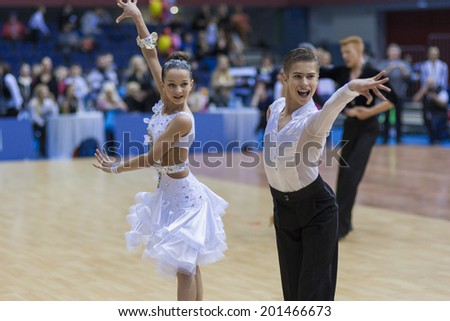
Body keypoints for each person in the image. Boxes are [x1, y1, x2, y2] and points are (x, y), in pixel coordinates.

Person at [93, 0, 227, 301]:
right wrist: (139, 17)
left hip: (185, 198)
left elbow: (153, 157)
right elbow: (150, 52)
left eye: (183, 85)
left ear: (191, 85)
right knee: (189, 266)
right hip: (168, 194)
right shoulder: (165, 103)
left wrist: (116, 166)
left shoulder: (181, 118)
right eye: (171, 85)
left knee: (184, 268)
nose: (178, 91)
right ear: (164, 85)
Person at [263, 46, 391, 301]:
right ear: (284, 78)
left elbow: (332, 107)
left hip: (316, 212)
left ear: (318, 79)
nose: (305, 83)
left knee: (314, 295)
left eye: (311, 76)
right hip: (283, 210)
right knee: (292, 294)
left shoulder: (314, 120)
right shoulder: (275, 109)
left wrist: (350, 87)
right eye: (298, 76)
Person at [320, 36, 397, 240]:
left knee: (353, 173)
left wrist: (368, 112)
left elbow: (394, 99)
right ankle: (344, 222)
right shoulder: (342, 72)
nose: (345, 57)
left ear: (359, 52)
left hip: (368, 128)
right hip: (350, 126)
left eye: (349, 53)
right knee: (343, 174)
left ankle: (340, 226)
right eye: (343, 53)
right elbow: (319, 71)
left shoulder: (371, 73)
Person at [377, 43, 412, 143]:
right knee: (386, 116)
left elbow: (409, 77)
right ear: (388, 52)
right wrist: (389, 68)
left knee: (399, 117)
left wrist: (403, 69)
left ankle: (399, 138)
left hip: (399, 95)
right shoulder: (383, 63)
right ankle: (385, 138)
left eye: (396, 51)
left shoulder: (404, 64)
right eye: (392, 51)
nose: (394, 53)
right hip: (386, 95)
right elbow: (379, 76)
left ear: (399, 53)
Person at [413, 77, 449, 144]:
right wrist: (422, 91)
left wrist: (433, 97)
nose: (430, 86)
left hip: (439, 115)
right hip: (427, 115)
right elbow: (415, 100)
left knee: (436, 126)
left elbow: (443, 103)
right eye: (428, 84)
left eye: (431, 84)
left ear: (435, 83)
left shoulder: (440, 90)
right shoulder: (424, 92)